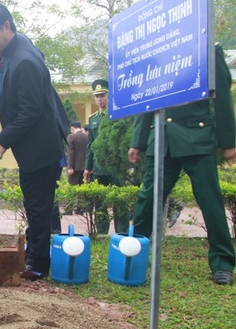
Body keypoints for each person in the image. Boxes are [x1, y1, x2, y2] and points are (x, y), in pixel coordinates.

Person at [128, 44, 236, 285]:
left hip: (196, 137)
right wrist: (138, 140)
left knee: (210, 200)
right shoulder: (157, 47)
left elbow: (222, 96)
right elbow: (148, 95)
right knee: (148, 200)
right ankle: (133, 255)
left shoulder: (206, 46)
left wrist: (229, 141)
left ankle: (222, 263)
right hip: (162, 139)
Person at [0, 3, 68, 280]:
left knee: (38, 206)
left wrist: (4, 139)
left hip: (40, 148)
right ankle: (35, 253)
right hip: (34, 146)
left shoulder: (24, 60)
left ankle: (37, 265)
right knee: (36, 202)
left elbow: (31, 109)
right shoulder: (13, 50)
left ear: (6, 26)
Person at [84, 79, 129, 235]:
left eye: (102, 95)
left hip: (116, 166)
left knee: (119, 200)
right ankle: (102, 232)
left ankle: (122, 232)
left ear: (109, 95)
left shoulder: (118, 114)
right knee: (100, 201)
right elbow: (90, 145)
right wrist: (87, 168)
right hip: (99, 167)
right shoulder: (93, 119)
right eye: (96, 96)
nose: (99, 99)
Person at [66, 121, 87, 186]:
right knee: (83, 189)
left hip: (75, 168)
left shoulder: (71, 137)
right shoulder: (87, 137)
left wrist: (70, 167)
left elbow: (70, 153)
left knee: (72, 189)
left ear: (72, 128)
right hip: (85, 168)